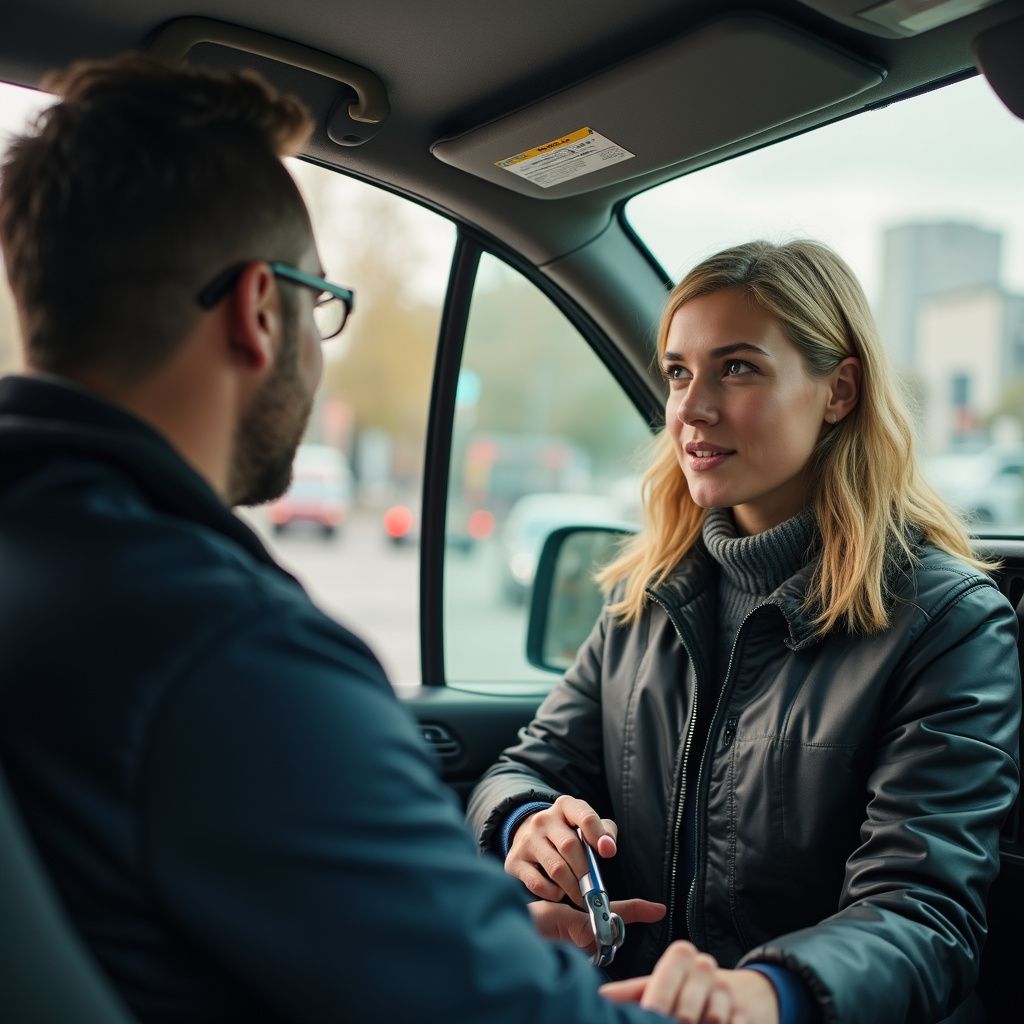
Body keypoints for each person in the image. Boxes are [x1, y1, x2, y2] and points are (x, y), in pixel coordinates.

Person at [0, 54, 757, 1024]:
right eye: (320, 302)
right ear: (258, 309)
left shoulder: (53, 563)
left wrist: (471, 929)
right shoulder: (230, 655)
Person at [468, 239, 1023, 1024]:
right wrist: (529, 823)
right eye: (678, 372)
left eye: (737, 368)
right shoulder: (647, 591)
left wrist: (763, 993)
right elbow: (528, 765)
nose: (692, 408)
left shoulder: (947, 622)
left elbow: (923, 916)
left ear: (839, 391)